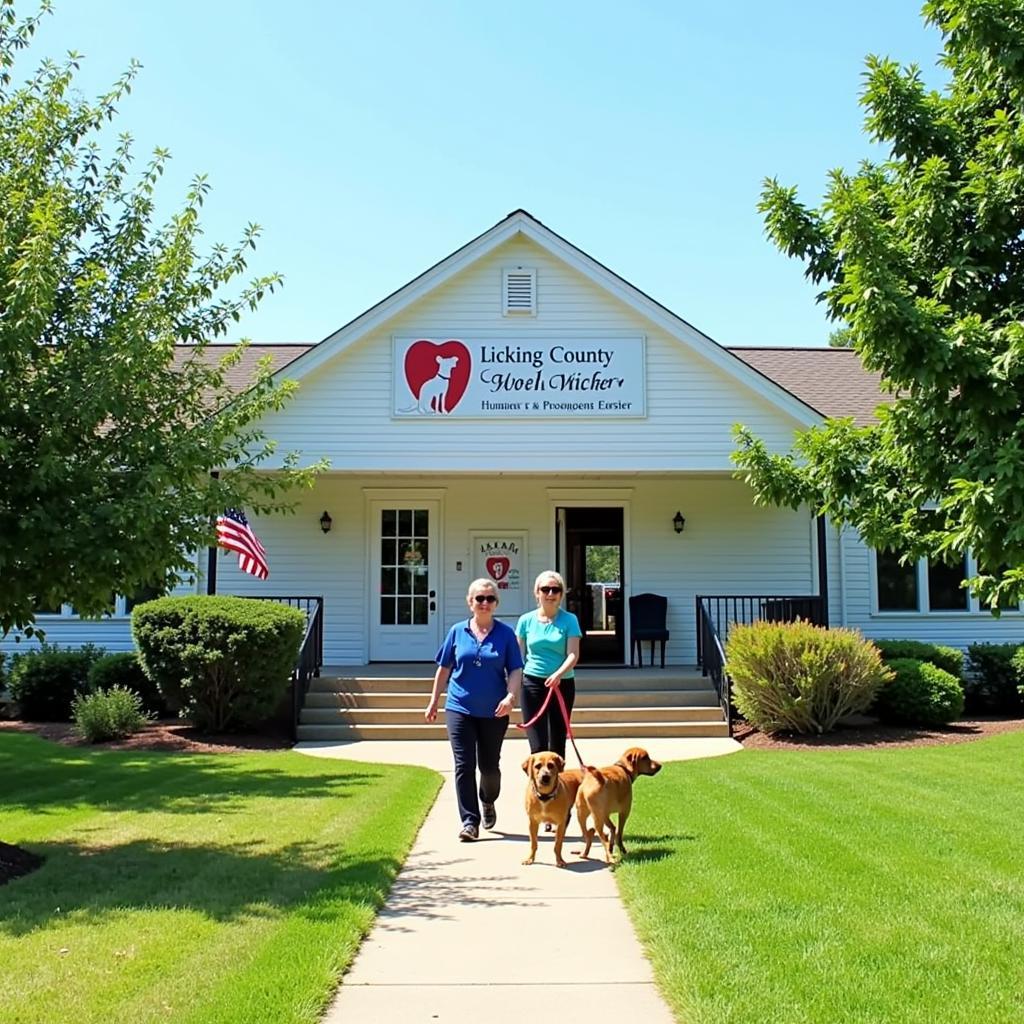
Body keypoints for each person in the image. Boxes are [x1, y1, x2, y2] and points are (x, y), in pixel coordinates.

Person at [426, 578, 523, 842]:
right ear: (470, 602)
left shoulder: (505, 634)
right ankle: (470, 821)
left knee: (489, 767)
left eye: (490, 599)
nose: (484, 603)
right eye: (479, 598)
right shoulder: (457, 631)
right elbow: (444, 668)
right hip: (459, 708)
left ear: (496, 604)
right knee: (463, 765)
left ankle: (488, 800)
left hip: (494, 711)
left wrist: (511, 697)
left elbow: (515, 669)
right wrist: (434, 699)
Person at [515, 570, 582, 762]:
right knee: (537, 745)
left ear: (561, 594)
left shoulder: (570, 620)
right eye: (545, 589)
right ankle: (537, 789)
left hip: (562, 684)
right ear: (537, 593)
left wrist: (558, 674)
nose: (550, 594)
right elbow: (515, 653)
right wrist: (512, 679)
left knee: (558, 743)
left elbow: (573, 654)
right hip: (532, 684)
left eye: (555, 589)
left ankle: (558, 789)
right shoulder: (526, 620)